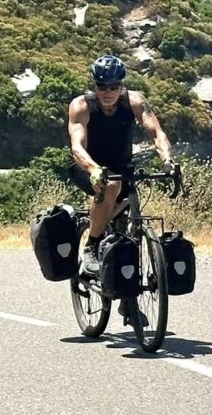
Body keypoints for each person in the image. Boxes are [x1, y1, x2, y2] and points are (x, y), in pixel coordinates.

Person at [68, 54, 175, 275]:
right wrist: (93, 169)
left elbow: (156, 133)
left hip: (121, 165)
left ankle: (127, 294)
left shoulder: (134, 102)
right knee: (111, 187)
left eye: (114, 86)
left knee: (125, 220)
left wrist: (167, 161)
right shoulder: (81, 106)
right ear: (94, 86)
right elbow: (77, 147)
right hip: (86, 165)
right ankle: (92, 244)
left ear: (121, 85)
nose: (108, 92)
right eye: (102, 86)